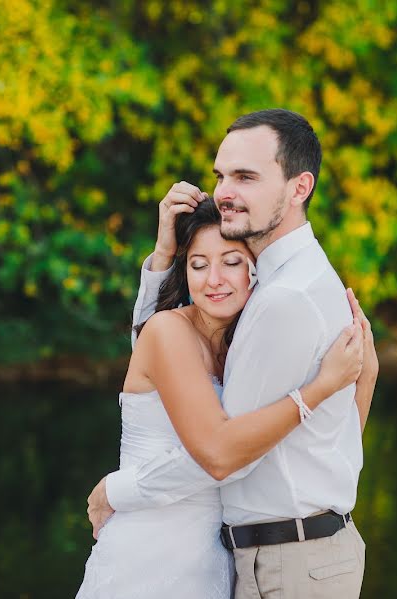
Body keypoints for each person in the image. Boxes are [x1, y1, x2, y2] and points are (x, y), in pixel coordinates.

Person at [87, 109, 379, 598]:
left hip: (275, 558)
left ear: (298, 187)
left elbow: (220, 455)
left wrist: (115, 490)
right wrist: (163, 259)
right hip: (190, 554)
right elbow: (157, 351)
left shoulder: (279, 300)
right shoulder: (290, 283)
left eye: (245, 176)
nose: (225, 190)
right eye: (222, 175)